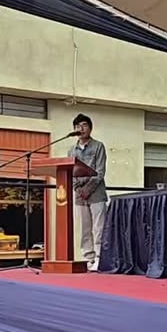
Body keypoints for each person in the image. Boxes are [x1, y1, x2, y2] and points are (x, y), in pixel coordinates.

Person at [68, 113, 107, 271]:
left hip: (96, 194)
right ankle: (88, 258)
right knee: (84, 229)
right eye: (78, 126)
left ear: (90, 128)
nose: (81, 129)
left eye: (84, 125)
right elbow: (69, 173)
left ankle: (99, 258)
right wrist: (78, 189)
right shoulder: (72, 150)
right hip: (80, 195)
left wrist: (87, 189)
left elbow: (100, 172)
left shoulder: (98, 146)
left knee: (99, 228)